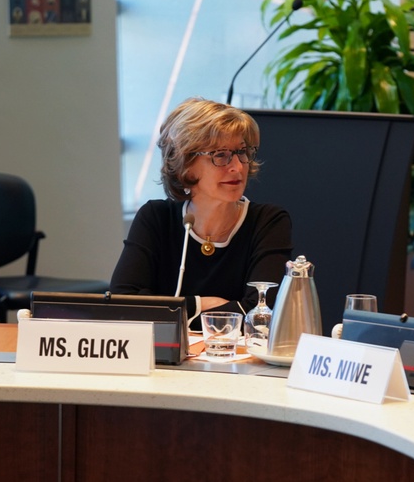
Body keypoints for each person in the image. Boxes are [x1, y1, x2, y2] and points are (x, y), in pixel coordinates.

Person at [110, 97, 292, 323]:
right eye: (220, 155)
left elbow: (260, 315)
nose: (237, 166)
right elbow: (122, 303)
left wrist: (170, 310)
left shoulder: (268, 221)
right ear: (185, 164)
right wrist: (200, 304)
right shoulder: (156, 218)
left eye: (242, 152)